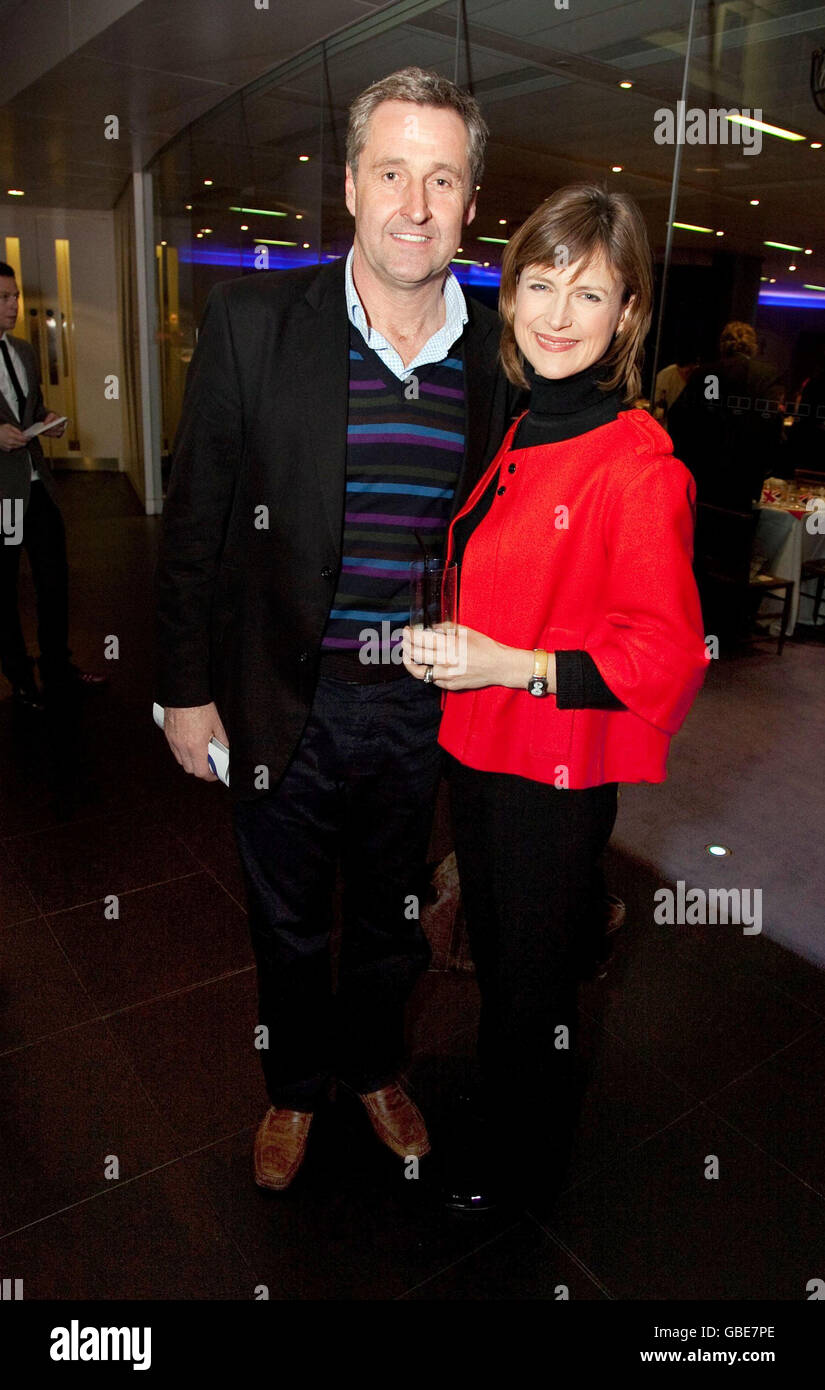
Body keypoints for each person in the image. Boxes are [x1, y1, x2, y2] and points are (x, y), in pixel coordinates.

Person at [155, 68, 521, 1192]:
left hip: (416, 703)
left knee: (392, 918)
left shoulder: (501, 356)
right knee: (284, 917)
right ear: (353, 185)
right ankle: (292, 1086)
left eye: (443, 178)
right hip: (279, 689)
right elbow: (199, 518)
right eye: (394, 172)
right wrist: (182, 688)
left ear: (469, 202)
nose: (417, 202)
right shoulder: (257, 324)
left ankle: (372, 1065)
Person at [403, 184, 709, 1208]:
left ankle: (520, 1168)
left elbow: (666, 653)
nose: (556, 315)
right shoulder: (523, 426)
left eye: (590, 293)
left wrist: (508, 665)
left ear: (629, 314)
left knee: (531, 986)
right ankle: (510, 1127)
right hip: (483, 750)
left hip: (551, 765)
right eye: (540, 284)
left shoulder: (637, 464)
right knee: (500, 961)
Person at [0, 261, 105, 709]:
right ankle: (19, 677)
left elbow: (33, 406)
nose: (14, 305)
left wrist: (46, 421)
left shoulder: (22, 351)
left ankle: (57, 667)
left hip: (37, 484)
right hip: (4, 496)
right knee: (5, 587)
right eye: (4, 298)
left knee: (54, 579)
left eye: (16, 296)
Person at [668, 320, 785, 510]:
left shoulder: (703, 373)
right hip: (743, 476)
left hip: (701, 472)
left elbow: (677, 417)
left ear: (722, 345)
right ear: (753, 346)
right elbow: (770, 423)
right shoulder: (766, 376)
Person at [653, 349, 696, 427]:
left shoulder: (700, 376)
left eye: (691, 371)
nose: (687, 376)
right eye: (686, 373)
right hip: (668, 425)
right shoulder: (665, 375)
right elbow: (657, 404)